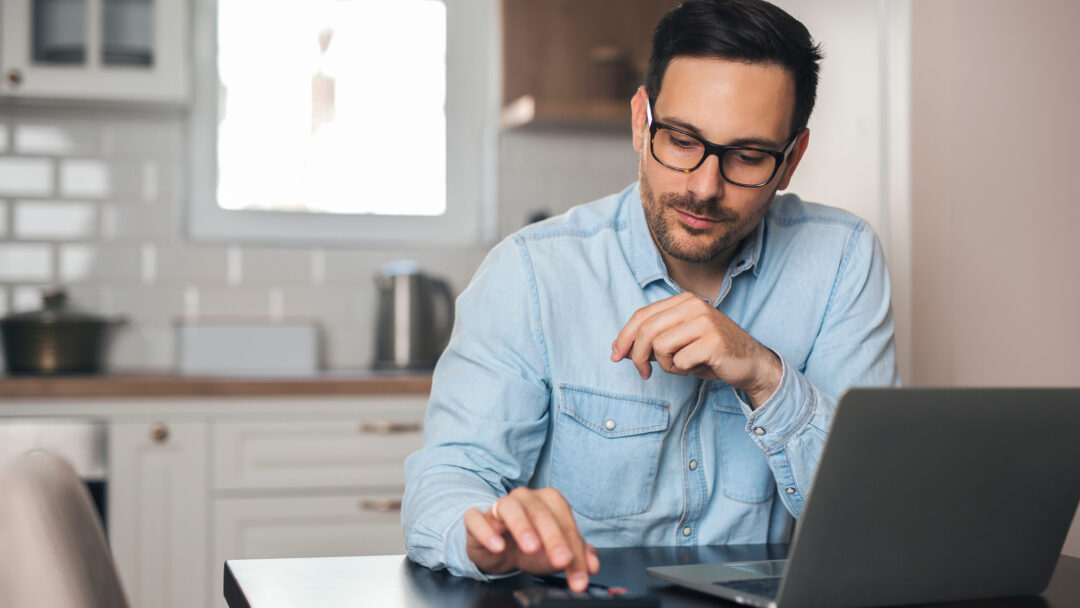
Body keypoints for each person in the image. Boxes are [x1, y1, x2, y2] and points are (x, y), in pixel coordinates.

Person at [403, 0, 899, 592]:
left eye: (748, 156)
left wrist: (765, 375)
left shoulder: (843, 259)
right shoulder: (531, 272)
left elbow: (875, 513)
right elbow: (446, 481)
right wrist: (489, 537)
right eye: (683, 140)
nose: (703, 186)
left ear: (791, 160)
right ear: (641, 121)